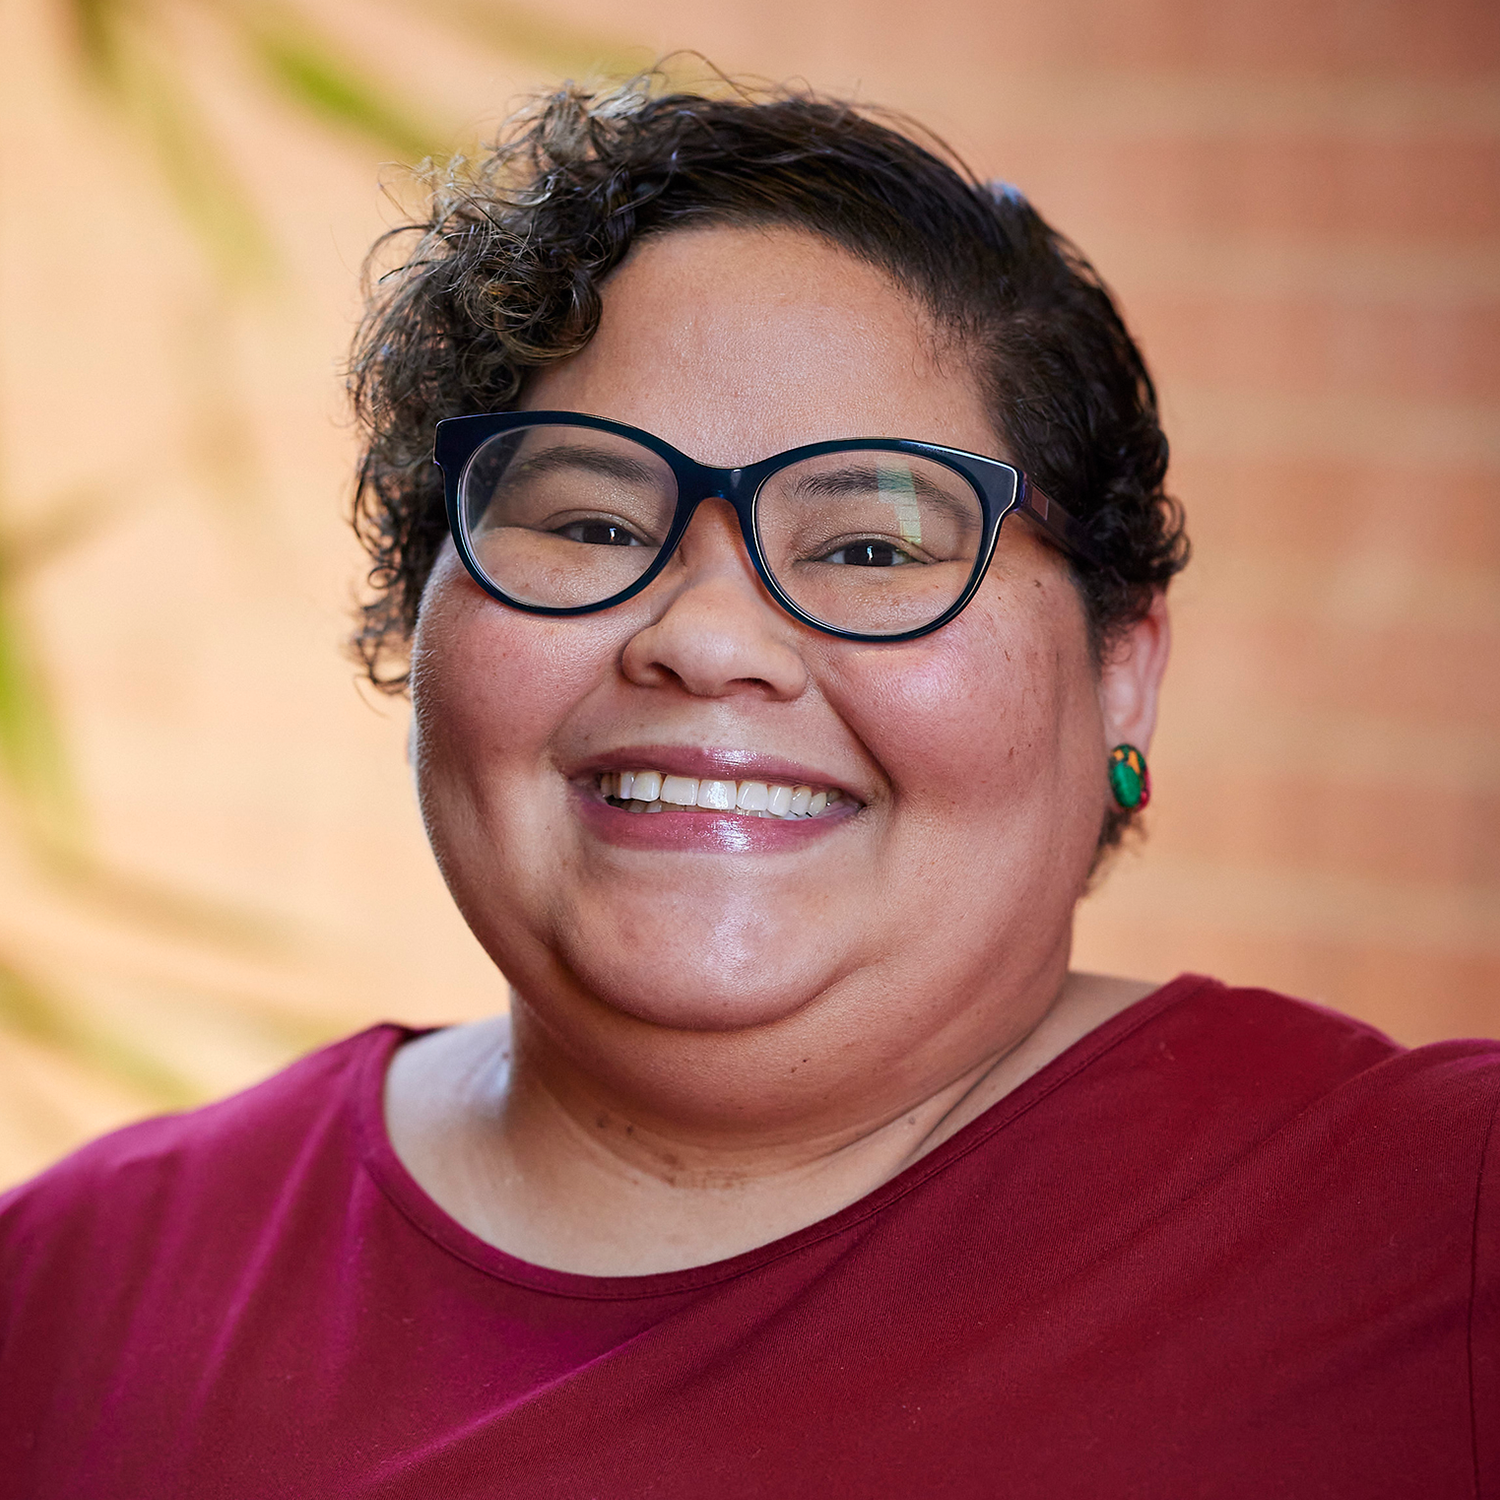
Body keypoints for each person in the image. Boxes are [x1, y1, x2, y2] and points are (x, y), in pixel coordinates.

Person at [1, 77, 1495, 1499]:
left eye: (867, 547)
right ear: (420, 611)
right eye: (586, 520)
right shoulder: (65, 1293)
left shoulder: (1436, 1236)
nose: (706, 638)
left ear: (1121, 672)